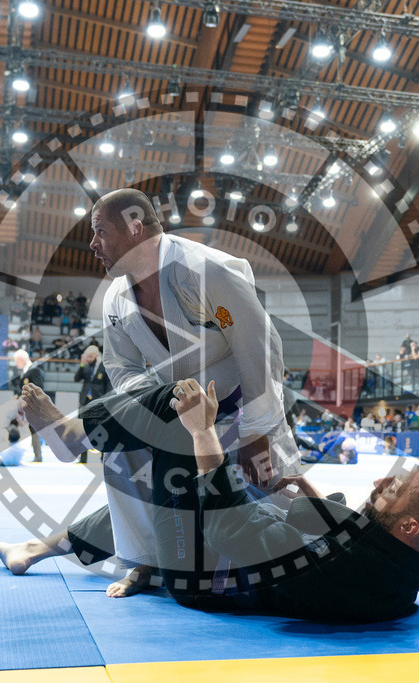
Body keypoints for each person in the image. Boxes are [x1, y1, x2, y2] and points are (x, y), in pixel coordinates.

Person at [0, 380, 419, 620]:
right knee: (189, 478)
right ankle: (40, 550)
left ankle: (76, 434)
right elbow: (350, 543)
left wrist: (202, 432)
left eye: (394, 492)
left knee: (176, 410)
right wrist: (308, 494)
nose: (379, 487)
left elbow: (232, 530)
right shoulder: (403, 564)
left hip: (202, 578)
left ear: (408, 525)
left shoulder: (351, 563)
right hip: (225, 559)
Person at [89, 188, 300, 593]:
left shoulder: (205, 270)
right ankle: (145, 561)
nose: (93, 244)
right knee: (121, 444)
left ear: (135, 228)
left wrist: (257, 430)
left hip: (243, 405)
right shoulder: (115, 298)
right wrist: (155, 409)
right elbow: (122, 367)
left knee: (278, 508)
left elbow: (259, 345)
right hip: (182, 406)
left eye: (100, 231)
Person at [72, 344, 112, 464]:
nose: (88, 359)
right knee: (83, 430)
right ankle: (83, 458)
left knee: (101, 429)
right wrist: (82, 364)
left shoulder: (104, 365)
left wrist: (107, 402)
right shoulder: (86, 366)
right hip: (85, 401)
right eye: (87, 357)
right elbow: (77, 378)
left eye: (90, 357)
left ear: (95, 355)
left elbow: (108, 386)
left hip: (99, 402)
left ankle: (103, 457)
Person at [9, 348, 44, 462]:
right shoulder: (26, 370)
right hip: (24, 404)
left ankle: (38, 456)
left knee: (34, 428)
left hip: (32, 404)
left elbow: (38, 388)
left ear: (21, 359)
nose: (16, 364)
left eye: (16, 361)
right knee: (29, 427)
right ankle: (35, 455)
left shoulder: (34, 370)